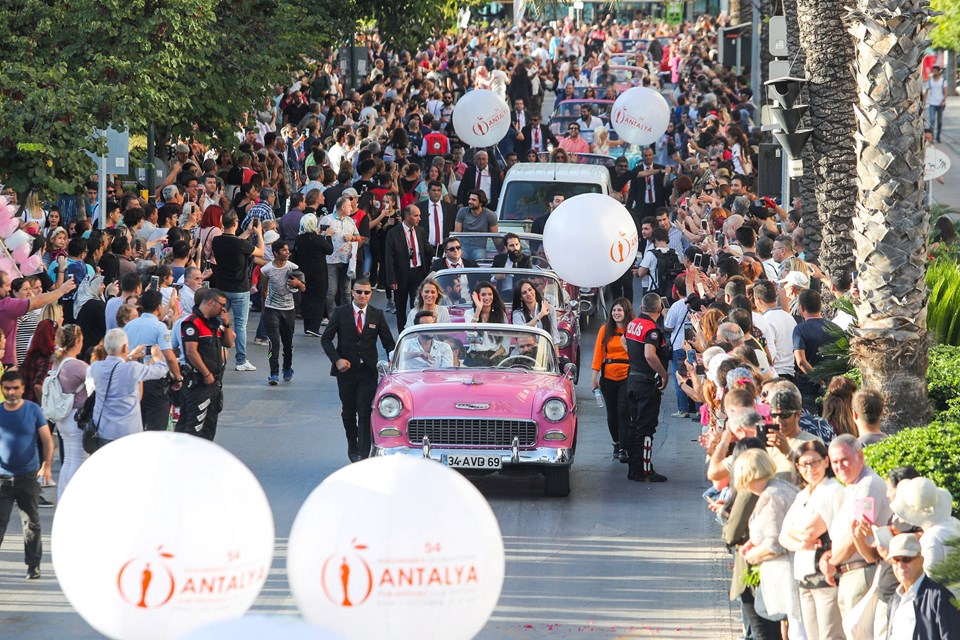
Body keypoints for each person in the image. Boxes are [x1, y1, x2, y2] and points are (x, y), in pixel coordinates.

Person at [321, 279, 395, 462]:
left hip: (367, 371)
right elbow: (326, 339)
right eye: (359, 292)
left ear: (371, 294)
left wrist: (393, 363)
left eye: (367, 292)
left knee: (364, 411)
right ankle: (352, 445)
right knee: (348, 411)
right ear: (352, 292)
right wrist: (337, 360)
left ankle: (363, 452)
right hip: (346, 371)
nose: (363, 295)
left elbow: (388, 343)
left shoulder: (376, 314)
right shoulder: (340, 312)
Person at [820, 435, 894, 618]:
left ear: (860, 457)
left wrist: (832, 561)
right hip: (850, 574)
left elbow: (858, 534)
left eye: (845, 459)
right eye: (835, 462)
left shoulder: (868, 486)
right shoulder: (853, 486)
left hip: (862, 572)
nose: (839, 466)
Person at [779, 440, 845, 640]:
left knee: (829, 635)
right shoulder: (803, 495)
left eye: (815, 462)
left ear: (826, 461)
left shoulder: (832, 490)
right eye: (804, 464)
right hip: (804, 574)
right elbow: (783, 536)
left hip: (825, 576)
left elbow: (809, 531)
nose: (810, 469)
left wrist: (798, 536)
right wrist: (801, 542)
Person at [735, 448, 801, 634]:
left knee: (769, 630)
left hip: (784, 574)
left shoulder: (771, 497)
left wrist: (753, 555)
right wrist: (753, 542)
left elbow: (775, 543)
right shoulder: (780, 486)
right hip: (787, 570)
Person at [0, 370, 54, 580]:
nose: (11, 392)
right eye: (7, 389)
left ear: (23, 389)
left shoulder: (33, 410)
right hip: (2, 479)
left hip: (27, 477)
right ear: (3, 390)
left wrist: (46, 466)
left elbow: (47, 440)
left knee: (31, 524)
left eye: (15, 388)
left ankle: (34, 566)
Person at [89, 329, 168, 445]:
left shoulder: (96, 367)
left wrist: (130, 357)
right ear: (125, 348)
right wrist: (157, 356)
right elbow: (161, 370)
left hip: (104, 430)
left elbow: (115, 365)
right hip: (128, 432)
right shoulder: (133, 369)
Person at [622, 293, 670, 482]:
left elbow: (624, 341)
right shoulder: (652, 330)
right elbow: (650, 355)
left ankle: (633, 468)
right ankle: (645, 469)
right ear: (659, 310)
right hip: (646, 383)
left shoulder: (632, 324)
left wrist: (635, 359)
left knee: (634, 425)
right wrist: (664, 374)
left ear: (641, 308)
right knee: (646, 428)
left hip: (632, 378)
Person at [175, 288, 235, 441]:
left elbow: (228, 343)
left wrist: (227, 324)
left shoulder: (214, 324)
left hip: (214, 384)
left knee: (209, 428)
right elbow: (191, 352)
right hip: (198, 384)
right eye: (221, 305)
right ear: (210, 302)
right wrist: (206, 374)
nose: (223, 309)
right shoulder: (192, 323)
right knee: (193, 427)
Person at [211, 210, 264, 371]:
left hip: (221, 288)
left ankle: (216, 356)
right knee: (240, 325)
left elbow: (234, 242)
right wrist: (259, 234)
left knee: (219, 322)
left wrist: (247, 232)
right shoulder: (241, 245)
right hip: (240, 288)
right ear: (235, 224)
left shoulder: (217, 241)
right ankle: (241, 360)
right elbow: (260, 252)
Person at [122, 290, 181, 431]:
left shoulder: (129, 326)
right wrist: (177, 378)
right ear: (159, 307)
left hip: (133, 379)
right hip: (154, 381)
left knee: (136, 427)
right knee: (157, 428)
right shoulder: (160, 327)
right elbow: (169, 357)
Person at [885, 533, 960, 637]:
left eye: (906, 559)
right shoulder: (894, 601)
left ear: (921, 560)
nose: (900, 565)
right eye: (896, 560)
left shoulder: (939, 598)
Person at [0, 271, 75, 371]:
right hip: (6, 364)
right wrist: (61, 290)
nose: (9, 289)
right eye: (7, 285)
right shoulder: (6, 306)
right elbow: (37, 302)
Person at [47, 325, 89, 502]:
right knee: (78, 460)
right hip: (76, 416)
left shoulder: (57, 362)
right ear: (78, 341)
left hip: (63, 417)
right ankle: (74, 500)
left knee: (69, 460)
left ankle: (63, 499)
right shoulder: (78, 366)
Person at [592, 298, 633, 462]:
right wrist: (594, 377)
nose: (616, 313)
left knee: (624, 411)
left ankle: (624, 447)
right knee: (612, 413)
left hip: (627, 375)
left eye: (620, 310)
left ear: (626, 312)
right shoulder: (605, 329)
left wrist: (626, 343)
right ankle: (616, 443)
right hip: (608, 376)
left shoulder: (632, 330)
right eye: (614, 310)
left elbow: (635, 353)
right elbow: (598, 353)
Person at [260, 240, 304, 384]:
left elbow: (304, 288)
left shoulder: (293, 267)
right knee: (274, 342)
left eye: (287, 250)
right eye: (284, 250)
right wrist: (264, 308)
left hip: (288, 310)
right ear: (275, 253)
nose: (287, 252)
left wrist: (298, 284)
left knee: (288, 342)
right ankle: (273, 373)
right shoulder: (266, 270)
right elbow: (264, 290)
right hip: (272, 310)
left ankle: (287, 367)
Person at [384, 205, 430, 333]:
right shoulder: (393, 233)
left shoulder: (420, 231)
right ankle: (402, 335)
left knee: (416, 305)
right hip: (400, 275)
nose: (419, 218)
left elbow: (426, 249)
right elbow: (389, 258)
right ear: (407, 216)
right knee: (400, 306)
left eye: (419, 215)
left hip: (418, 272)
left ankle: (416, 332)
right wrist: (391, 279)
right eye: (416, 216)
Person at [793, 290, 841, 413]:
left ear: (801, 308)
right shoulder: (835, 327)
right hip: (833, 388)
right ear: (820, 306)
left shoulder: (800, 330)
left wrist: (818, 380)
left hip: (808, 389)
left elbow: (801, 361)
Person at [292, 212, 334, 336]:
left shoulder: (299, 239)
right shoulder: (319, 239)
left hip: (304, 273)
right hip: (319, 273)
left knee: (307, 298)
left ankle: (307, 325)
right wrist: (328, 236)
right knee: (319, 298)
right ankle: (314, 327)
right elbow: (329, 250)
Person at [321, 195, 361, 324]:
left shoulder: (350, 221)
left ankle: (346, 316)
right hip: (331, 260)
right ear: (343, 207)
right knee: (331, 290)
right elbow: (320, 237)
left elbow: (358, 237)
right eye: (349, 206)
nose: (351, 208)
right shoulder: (327, 220)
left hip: (347, 260)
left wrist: (352, 238)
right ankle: (333, 316)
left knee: (347, 291)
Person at [454, 189, 499, 263]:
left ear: (481, 203)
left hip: (479, 248)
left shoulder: (490, 215)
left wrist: (502, 252)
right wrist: (456, 249)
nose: (470, 202)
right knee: (459, 259)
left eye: (473, 200)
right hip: (464, 247)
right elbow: (456, 234)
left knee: (480, 258)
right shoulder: (462, 212)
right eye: (469, 199)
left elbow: (495, 236)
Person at [418, 181, 457, 258]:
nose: (436, 193)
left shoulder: (450, 208)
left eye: (439, 190)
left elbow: (453, 226)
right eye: (433, 190)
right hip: (426, 247)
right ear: (428, 192)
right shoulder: (420, 207)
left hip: (444, 247)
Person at [923, 65, 947, 143]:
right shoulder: (930, 81)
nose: (933, 72)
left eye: (935, 71)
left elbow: (946, 92)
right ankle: (931, 137)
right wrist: (924, 101)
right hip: (932, 103)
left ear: (938, 71)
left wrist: (943, 101)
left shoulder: (943, 81)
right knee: (932, 120)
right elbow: (926, 92)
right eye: (933, 71)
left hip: (940, 104)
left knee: (939, 121)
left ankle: (938, 136)